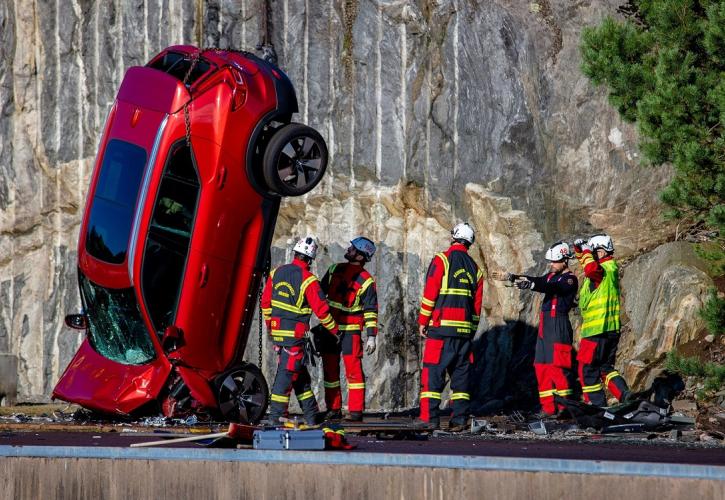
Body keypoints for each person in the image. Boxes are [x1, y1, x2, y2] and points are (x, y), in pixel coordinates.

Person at [492, 241, 578, 415]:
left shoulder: (569, 279)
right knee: (541, 366)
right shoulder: (551, 276)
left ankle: (565, 409)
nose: (551, 264)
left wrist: (531, 286)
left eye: (555, 261)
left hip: (558, 325)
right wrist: (511, 277)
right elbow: (537, 281)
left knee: (558, 368)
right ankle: (548, 408)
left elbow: (552, 287)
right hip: (545, 327)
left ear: (565, 261)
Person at [261, 236, 339, 425]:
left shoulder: (276, 272)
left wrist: (272, 326)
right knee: (285, 377)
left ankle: (312, 416)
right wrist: (335, 331)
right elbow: (322, 311)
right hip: (295, 338)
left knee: (300, 377)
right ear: (310, 259)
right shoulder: (309, 280)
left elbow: (265, 303)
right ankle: (275, 418)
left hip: (278, 336)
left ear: (295, 253)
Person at [417, 222, 484, 431]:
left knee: (433, 374)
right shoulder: (476, 269)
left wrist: (423, 321)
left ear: (454, 237)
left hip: (441, 330)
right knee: (461, 378)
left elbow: (431, 293)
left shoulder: (442, 260)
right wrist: (470, 332)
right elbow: (477, 307)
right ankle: (460, 419)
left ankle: (429, 418)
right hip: (464, 334)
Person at [318, 237, 379, 422]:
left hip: (350, 332)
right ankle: (333, 408)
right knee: (330, 372)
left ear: (360, 256)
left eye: (353, 248)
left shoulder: (367, 280)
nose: (349, 249)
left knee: (353, 372)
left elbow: (370, 310)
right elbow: (318, 294)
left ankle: (355, 412)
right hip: (330, 329)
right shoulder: (334, 269)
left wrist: (371, 336)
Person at [573, 233, 630, 406]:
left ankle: (596, 407)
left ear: (603, 252)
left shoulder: (602, 269)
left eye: (595, 251)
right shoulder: (608, 268)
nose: (592, 255)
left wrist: (585, 250)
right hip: (609, 331)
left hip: (596, 331)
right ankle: (626, 397)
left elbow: (590, 268)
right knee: (606, 369)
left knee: (587, 370)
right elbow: (586, 263)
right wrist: (580, 250)